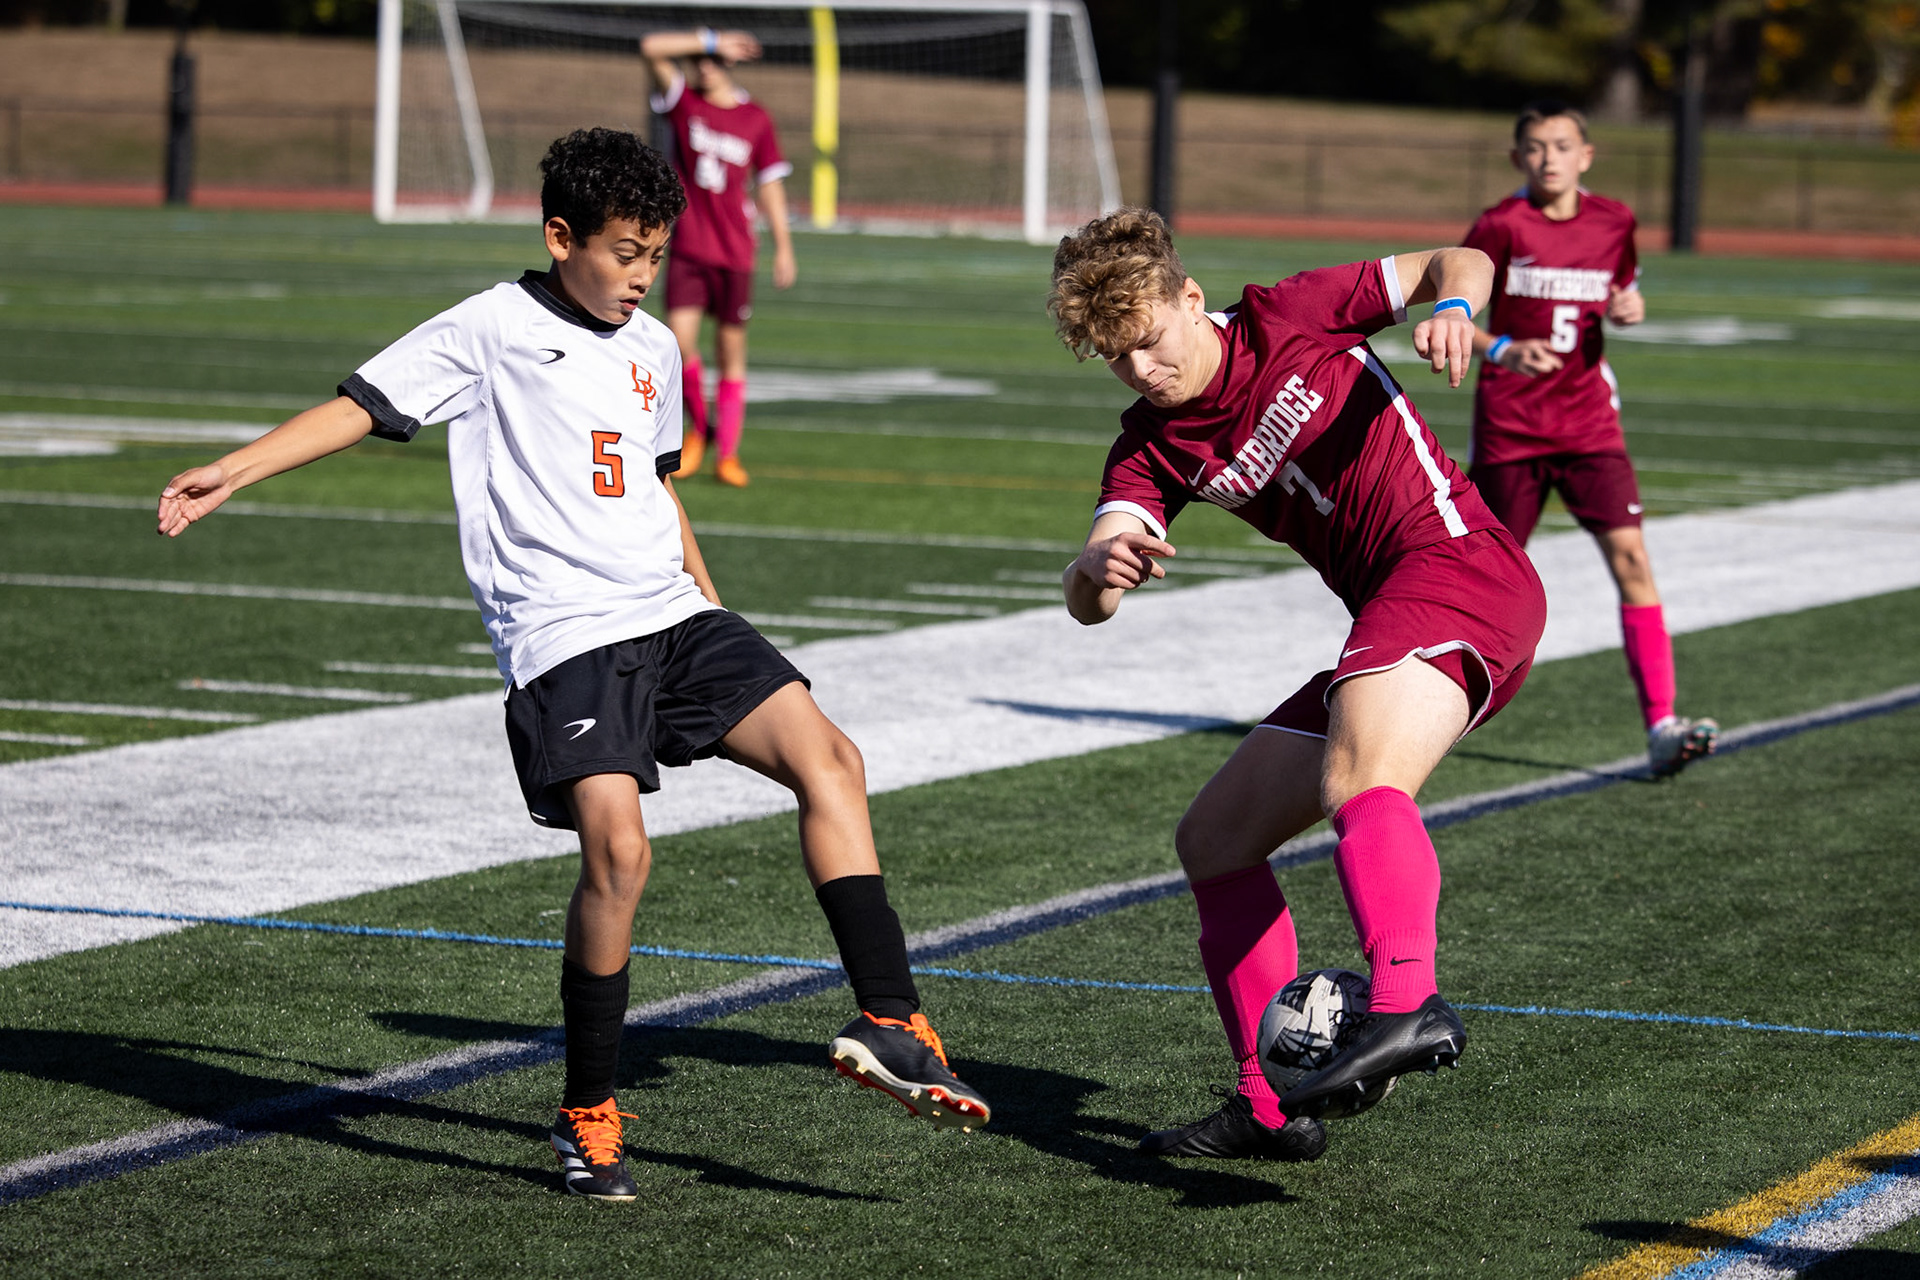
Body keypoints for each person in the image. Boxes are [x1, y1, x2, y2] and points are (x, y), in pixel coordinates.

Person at [155, 128, 987, 1203]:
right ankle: (588, 1108)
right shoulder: (491, 326)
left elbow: (654, 483)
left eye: (656, 257)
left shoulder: (656, 349)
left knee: (832, 758)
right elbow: (363, 406)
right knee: (620, 852)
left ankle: (890, 1017)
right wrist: (233, 468)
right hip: (564, 635)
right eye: (625, 254)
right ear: (562, 237)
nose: (643, 277)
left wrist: (711, 600)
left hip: (672, 612)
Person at [1048, 208, 1547, 1158]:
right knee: (1215, 840)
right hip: (1393, 613)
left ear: (1191, 298)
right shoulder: (1149, 447)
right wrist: (1094, 571)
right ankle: (1268, 1106)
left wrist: (1452, 307)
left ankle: (1406, 1001)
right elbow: (1093, 589)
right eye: (1116, 357)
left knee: (1361, 778)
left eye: (1149, 339)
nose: (1142, 369)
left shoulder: (1289, 316)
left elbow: (1462, 258)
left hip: (1459, 569)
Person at [1465, 101, 1718, 778]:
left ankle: (1661, 724)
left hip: (1589, 426)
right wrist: (1502, 349)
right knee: (1487, 578)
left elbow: (1624, 292)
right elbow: (1455, 312)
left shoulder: (1614, 221)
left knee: (1632, 559)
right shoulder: (1499, 225)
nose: (1549, 158)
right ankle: (1436, 709)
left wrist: (1631, 308)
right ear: (1518, 158)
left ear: (1586, 155)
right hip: (1512, 428)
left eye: (1561, 145)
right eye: (1535, 147)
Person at [640, 26, 796, 488]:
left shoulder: (755, 118)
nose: (703, 66)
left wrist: (784, 246)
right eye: (696, 59)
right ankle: (699, 430)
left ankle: (728, 453)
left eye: (712, 59)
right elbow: (651, 47)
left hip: (736, 252)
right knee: (679, 344)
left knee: (731, 352)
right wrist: (708, 41)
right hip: (689, 247)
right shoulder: (685, 102)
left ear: (731, 64)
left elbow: (770, 184)